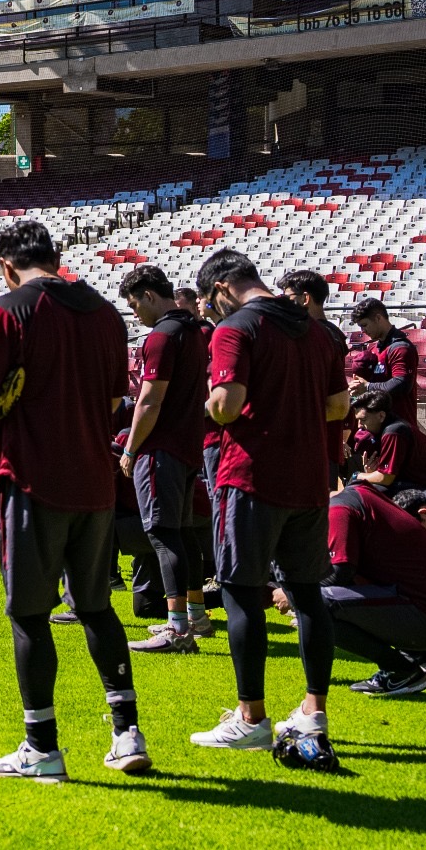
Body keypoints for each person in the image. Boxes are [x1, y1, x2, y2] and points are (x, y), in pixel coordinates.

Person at [0, 220, 148, 782]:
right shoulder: (107, 313)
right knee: (95, 607)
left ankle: (42, 748)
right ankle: (126, 732)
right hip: (94, 482)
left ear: (6, 265)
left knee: (29, 614)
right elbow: (116, 397)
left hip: (33, 480)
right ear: (55, 257)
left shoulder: (10, 309)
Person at [191, 249, 349, 757]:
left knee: (241, 592)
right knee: (307, 596)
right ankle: (313, 710)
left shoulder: (234, 328)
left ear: (220, 289)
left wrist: (210, 402)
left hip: (252, 477)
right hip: (309, 480)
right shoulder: (321, 331)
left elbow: (227, 405)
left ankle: (251, 717)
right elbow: (339, 406)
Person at [117, 265, 211, 652]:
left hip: (161, 449)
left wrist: (130, 448)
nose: (134, 311)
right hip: (190, 446)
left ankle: (178, 629)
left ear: (150, 295)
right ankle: (197, 616)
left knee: (162, 534)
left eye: (135, 302)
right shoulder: (195, 331)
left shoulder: (162, 336)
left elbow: (150, 400)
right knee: (183, 532)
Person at [323, 486, 426, 696]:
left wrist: (291, 592)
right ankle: (413, 656)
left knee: (317, 602)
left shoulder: (339, 508)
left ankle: (402, 670)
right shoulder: (359, 495)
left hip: (419, 612)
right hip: (416, 605)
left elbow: (341, 572)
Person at [279, 270, 350, 488]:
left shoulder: (321, 335)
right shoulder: (330, 334)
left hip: (315, 439)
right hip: (311, 437)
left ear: (305, 298)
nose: (284, 303)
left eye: (288, 297)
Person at [349, 296, 419, 425]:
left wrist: (367, 387)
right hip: (379, 426)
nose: (363, 331)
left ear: (378, 318)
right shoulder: (376, 349)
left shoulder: (401, 348)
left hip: (399, 428)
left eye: (364, 325)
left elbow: (401, 384)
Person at [348, 389, 426, 492]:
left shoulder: (393, 432)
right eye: (357, 420)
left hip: (422, 486)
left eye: (363, 420)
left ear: (381, 416)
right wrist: (372, 472)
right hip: (409, 483)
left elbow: (385, 478)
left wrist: (356, 476)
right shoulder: (387, 426)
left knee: (360, 488)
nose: (359, 426)